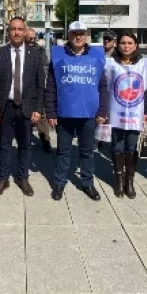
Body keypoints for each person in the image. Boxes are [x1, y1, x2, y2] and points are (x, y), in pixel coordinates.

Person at [44, 20, 108, 201]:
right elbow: (51, 87)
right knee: (63, 151)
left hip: (89, 115)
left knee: (87, 151)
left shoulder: (96, 57)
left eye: (81, 33)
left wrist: (103, 110)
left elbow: (103, 86)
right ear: (68, 36)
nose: (78, 36)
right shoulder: (58, 57)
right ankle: (59, 183)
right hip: (64, 114)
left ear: (86, 35)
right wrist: (50, 112)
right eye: (74, 33)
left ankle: (88, 183)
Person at [0, 17, 46, 197]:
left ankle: (22, 177)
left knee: (25, 145)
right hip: (5, 107)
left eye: (20, 29)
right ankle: (3, 179)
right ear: (8, 31)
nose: (16, 32)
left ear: (25, 30)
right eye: (13, 29)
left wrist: (38, 109)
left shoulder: (35, 54)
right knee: (4, 144)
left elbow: (39, 85)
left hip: (26, 107)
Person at [105, 32, 147, 199]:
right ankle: (118, 179)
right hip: (115, 113)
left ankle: (130, 180)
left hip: (136, 113)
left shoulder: (144, 65)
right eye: (123, 43)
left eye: (129, 43)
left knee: (131, 146)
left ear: (135, 46)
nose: (126, 46)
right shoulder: (109, 64)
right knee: (117, 146)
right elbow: (105, 88)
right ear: (117, 45)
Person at [26, 28, 53, 151]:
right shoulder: (20, 50)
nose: (32, 40)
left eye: (34, 38)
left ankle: (45, 139)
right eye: (29, 38)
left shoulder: (40, 51)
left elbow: (45, 67)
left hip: (38, 88)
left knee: (41, 115)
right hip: (24, 89)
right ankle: (25, 140)